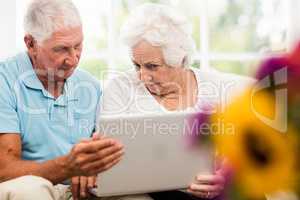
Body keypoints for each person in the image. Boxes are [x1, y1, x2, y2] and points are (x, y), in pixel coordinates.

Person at [100, 3, 254, 200]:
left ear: (180, 61)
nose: (142, 76)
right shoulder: (120, 89)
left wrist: (227, 173)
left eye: (152, 66)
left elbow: (250, 149)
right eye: (136, 65)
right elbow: (109, 161)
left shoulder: (222, 89)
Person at [0, 0, 124, 200]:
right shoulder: (4, 81)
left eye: (78, 46)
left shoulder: (89, 84)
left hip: (80, 190)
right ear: (31, 44)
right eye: (61, 49)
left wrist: (94, 169)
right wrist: (68, 167)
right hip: (33, 188)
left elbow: (103, 152)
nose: (74, 59)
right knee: (29, 192)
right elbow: (4, 170)